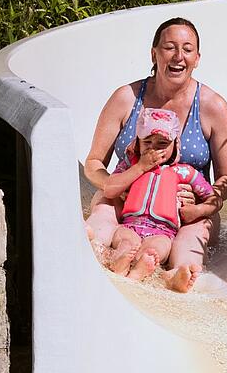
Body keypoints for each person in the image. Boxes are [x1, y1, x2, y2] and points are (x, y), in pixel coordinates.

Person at [84, 17, 227, 289]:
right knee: (104, 205)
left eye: (187, 49)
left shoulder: (213, 107)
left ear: (197, 58)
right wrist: (114, 184)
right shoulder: (126, 98)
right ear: (154, 54)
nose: (179, 56)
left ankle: (181, 272)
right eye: (169, 47)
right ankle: (96, 246)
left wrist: (201, 206)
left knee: (195, 230)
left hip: (184, 209)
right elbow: (94, 162)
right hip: (128, 198)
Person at [88, 106, 215, 291]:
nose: (154, 149)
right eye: (147, 142)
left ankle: (159, 275)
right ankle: (120, 262)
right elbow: (110, 190)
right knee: (126, 242)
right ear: (137, 143)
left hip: (162, 232)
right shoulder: (130, 167)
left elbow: (212, 198)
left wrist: (197, 208)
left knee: (155, 249)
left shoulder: (184, 172)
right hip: (130, 225)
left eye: (162, 143)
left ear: (175, 145)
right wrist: (140, 167)